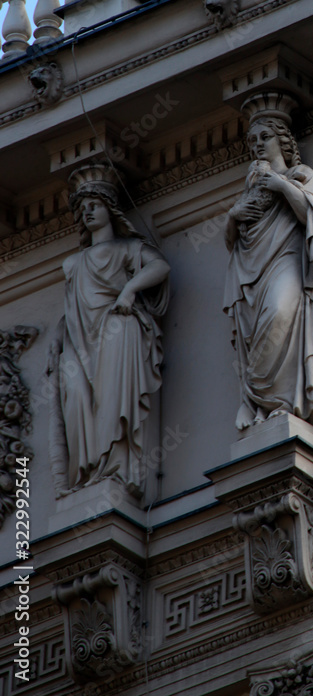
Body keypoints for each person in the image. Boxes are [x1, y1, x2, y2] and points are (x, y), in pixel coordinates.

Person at [48, 164, 170, 497]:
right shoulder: (73, 264)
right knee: (74, 392)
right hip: (80, 340)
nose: (87, 212)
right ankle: (87, 473)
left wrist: (129, 290)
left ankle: (116, 466)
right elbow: (71, 307)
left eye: (94, 205)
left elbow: (160, 265)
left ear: (109, 209)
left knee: (113, 395)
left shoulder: (126, 249)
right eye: (82, 207)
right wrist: (58, 337)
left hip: (116, 330)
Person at [223, 93, 313, 430]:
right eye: (252, 139)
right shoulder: (250, 185)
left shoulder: (302, 175)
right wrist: (233, 215)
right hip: (250, 269)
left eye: (265, 137)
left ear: (283, 141)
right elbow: (233, 240)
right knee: (255, 333)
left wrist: (282, 186)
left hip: (286, 260)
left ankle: (284, 401)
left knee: (280, 313)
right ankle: (257, 405)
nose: (257, 145)